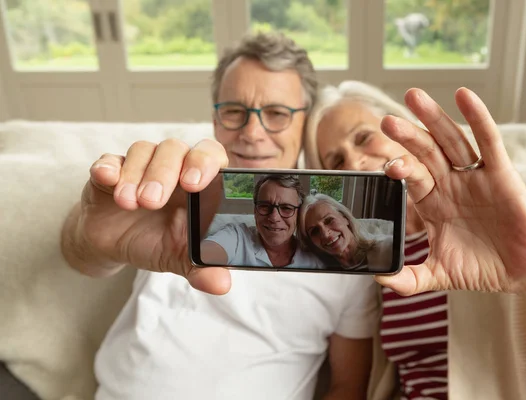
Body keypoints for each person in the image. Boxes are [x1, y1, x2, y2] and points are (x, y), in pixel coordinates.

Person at [61, 34, 378, 400]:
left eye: (276, 113)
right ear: (215, 119)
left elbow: (347, 388)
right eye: (234, 112)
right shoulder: (173, 177)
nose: (252, 132)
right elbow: (80, 254)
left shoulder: (339, 245)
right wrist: (94, 239)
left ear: (304, 124)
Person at [303, 80, 526, 399]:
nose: (355, 163)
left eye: (363, 138)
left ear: (405, 131)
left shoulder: (511, 196)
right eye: (337, 162)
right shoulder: (376, 256)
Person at [203, 174, 325, 269]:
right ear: (255, 211)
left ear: (298, 215)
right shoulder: (237, 237)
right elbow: (204, 255)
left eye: (286, 208)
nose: (274, 217)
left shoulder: (314, 260)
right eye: (265, 206)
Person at [298, 193, 394, 272]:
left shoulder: (388, 248)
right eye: (314, 231)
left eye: (329, 220)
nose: (326, 234)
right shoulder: (319, 270)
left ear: (345, 218)